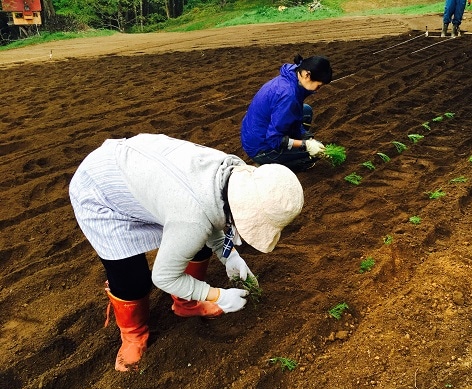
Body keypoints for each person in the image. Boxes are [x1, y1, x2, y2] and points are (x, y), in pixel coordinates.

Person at [69, 133, 304, 372]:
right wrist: (216, 295)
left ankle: (187, 303)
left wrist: (229, 256)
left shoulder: (231, 171)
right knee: (131, 279)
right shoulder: (192, 217)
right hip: (101, 191)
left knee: (197, 241)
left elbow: (211, 210)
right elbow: (163, 277)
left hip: (148, 180)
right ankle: (133, 335)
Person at [240, 54, 333, 172]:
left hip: (253, 135)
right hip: (261, 147)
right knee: (311, 156)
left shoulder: (291, 76)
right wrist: (306, 145)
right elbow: (274, 139)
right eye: (319, 85)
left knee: (306, 111)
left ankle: (287, 149)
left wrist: (306, 137)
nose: (317, 90)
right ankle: (266, 163)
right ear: (307, 75)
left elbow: (295, 115)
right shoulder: (288, 95)